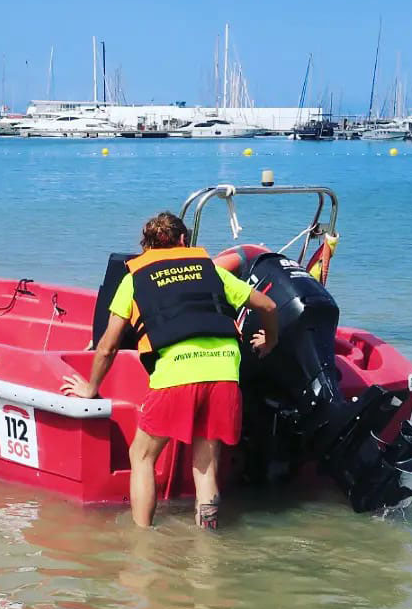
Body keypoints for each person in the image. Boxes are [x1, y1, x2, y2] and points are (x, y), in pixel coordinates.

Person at [62, 212, 278, 529]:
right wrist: (269, 341)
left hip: (177, 374)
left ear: (145, 247)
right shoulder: (211, 271)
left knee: (142, 456)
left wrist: (91, 388)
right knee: (206, 465)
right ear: (181, 241)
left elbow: (108, 345)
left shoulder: (133, 278)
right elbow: (269, 306)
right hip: (224, 372)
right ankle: (207, 548)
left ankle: (142, 540)